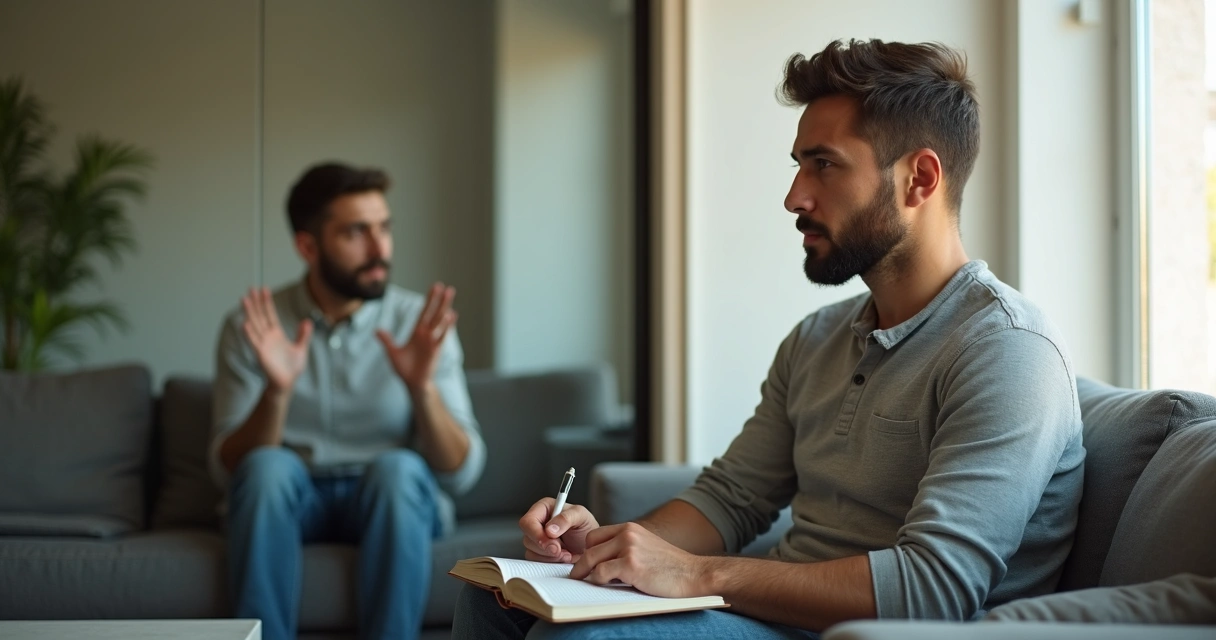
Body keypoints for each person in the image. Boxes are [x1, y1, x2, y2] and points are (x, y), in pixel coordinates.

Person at [452, 39, 1085, 639]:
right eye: (798, 165)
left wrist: (697, 575)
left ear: (919, 179)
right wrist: (605, 549)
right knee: (492, 599)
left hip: (874, 632)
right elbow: (731, 500)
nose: (794, 196)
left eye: (824, 165)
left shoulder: (1007, 352)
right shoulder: (817, 338)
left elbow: (933, 588)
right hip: (774, 621)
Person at [209, 162, 486, 640]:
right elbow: (228, 470)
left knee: (398, 470)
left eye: (384, 229)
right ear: (307, 246)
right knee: (267, 469)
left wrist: (423, 389)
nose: (380, 250)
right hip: (294, 498)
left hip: (387, 498)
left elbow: (461, 470)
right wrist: (277, 391)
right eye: (357, 233)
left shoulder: (420, 323)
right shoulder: (254, 326)